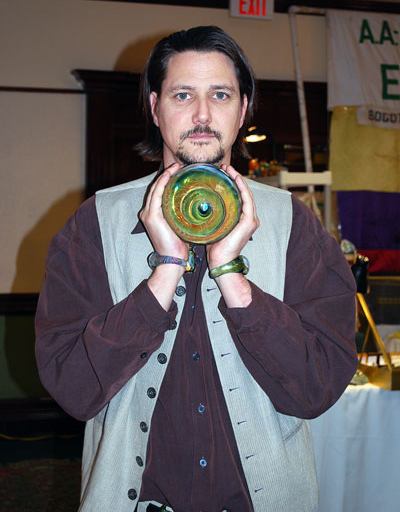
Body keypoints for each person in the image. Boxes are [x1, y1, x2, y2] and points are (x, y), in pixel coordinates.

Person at [35, 26, 358, 512]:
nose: (202, 114)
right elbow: (74, 388)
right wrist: (165, 271)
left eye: (220, 95)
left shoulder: (296, 225)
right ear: (155, 107)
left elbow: (316, 388)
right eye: (183, 94)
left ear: (243, 109)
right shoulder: (94, 224)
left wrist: (232, 275)